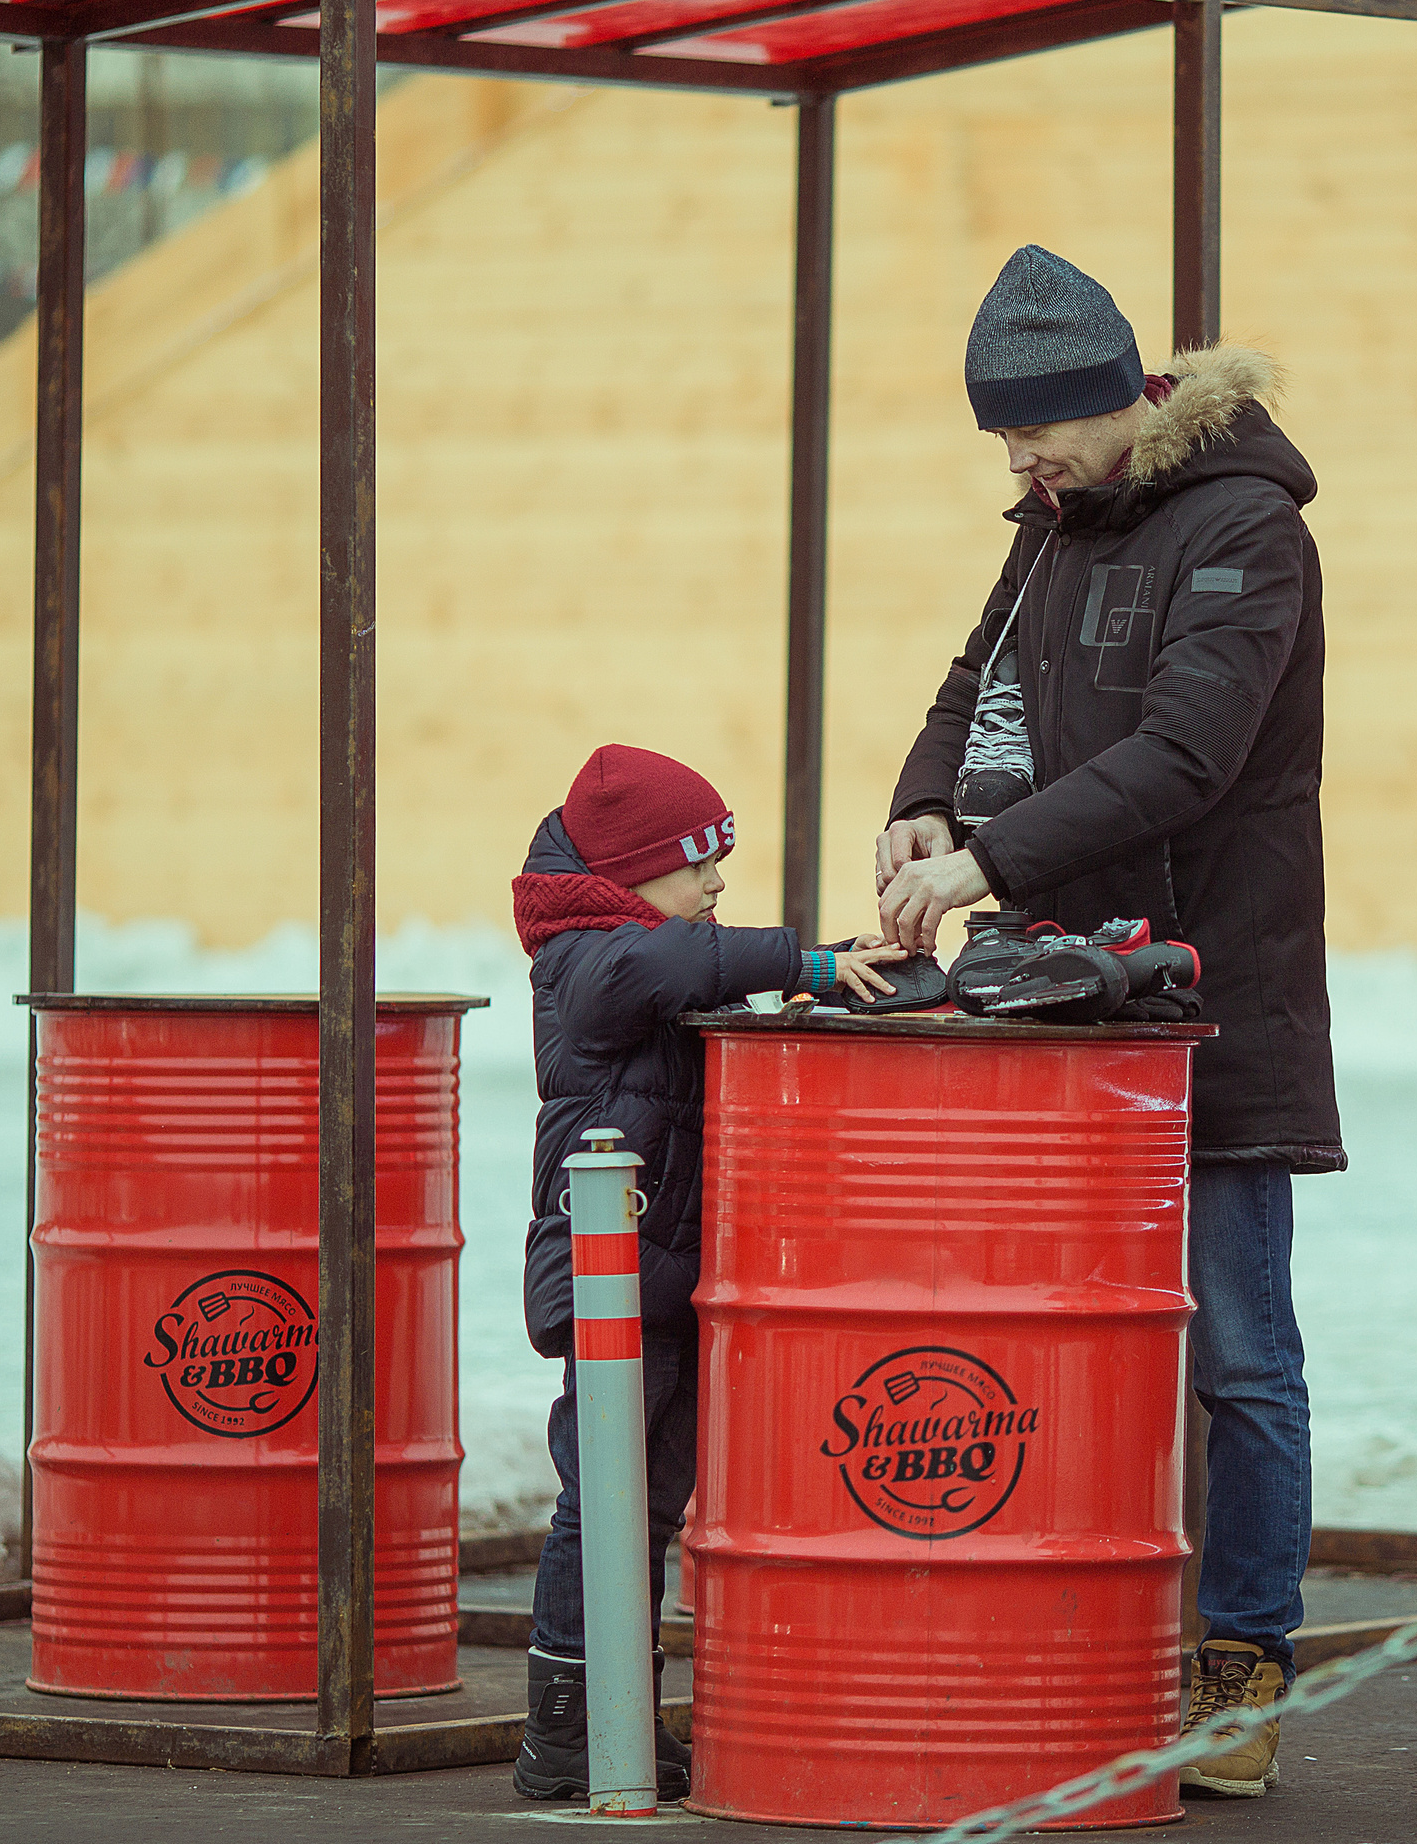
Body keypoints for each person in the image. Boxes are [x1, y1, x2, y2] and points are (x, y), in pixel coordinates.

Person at [876, 245, 1344, 1800]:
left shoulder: (1247, 531)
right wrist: (923, 802)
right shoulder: (1058, 524)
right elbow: (977, 679)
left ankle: (1243, 1662)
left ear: (1122, 400)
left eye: (1037, 433)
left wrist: (990, 859)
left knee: (1238, 1355)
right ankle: (1081, 1630)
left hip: (1216, 999)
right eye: (1003, 438)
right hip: (1063, 999)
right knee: (1065, 1342)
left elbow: (1188, 755)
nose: (1018, 462)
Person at [512, 743, 903, 1801]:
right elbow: (671, 967)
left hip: (663, 1277)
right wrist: (804, 960)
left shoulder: (635, 951)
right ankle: (561, 1719)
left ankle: (618, 1708)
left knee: (651, 1502)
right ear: (628, 874)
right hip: (602, 1274)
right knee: (602, 1499)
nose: (715, 883)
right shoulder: (587, 956)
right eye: (697, 866)